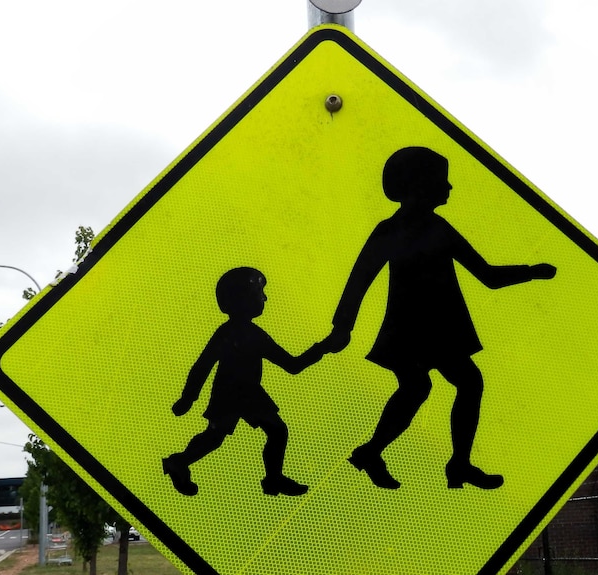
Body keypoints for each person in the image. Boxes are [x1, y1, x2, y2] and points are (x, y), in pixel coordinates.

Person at [324, 146, 557, 490]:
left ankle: (452, 463)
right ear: (419, 184)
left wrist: (531, 272)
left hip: (441, 329)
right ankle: (376, 452)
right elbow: (359, 280)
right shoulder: (389, 230)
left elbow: (487, 275)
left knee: (463, 382)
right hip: (407, 329)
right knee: (421, 387)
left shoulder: (439, 228)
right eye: (442, 181)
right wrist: (342, 328)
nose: (449, 189)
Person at [163, 267, 328, 497]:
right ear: (243, 298)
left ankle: (272, 479)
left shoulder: (250, 333)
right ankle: (180, 462)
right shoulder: (234, 333)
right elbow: (203, 364)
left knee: (268, 431)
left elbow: (291, 365)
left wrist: (323, 348)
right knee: (221, 436)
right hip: (232, 393)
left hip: (247, 393)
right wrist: (188, 397)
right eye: (260, 292)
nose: (265, 298)